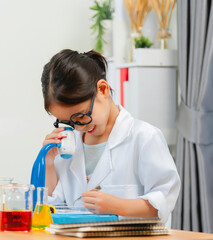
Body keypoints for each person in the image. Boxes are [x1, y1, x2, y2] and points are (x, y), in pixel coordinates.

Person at [40, 49, 180, 223]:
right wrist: (49, 164)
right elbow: (53, 206)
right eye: (68, 122)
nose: (78, 127)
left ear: (103, 89)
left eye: (81, 116)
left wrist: (118, 206)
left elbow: (164, 200)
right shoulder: (69, 146)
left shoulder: (144, 137)